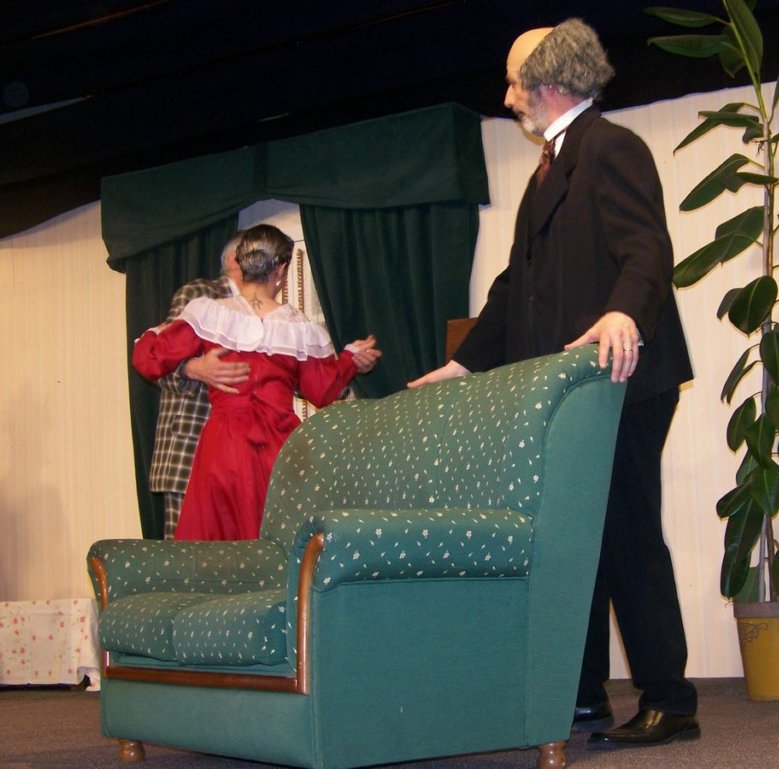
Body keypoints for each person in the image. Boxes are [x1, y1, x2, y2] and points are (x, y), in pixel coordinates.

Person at [408, 19, 699, 748]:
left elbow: (647, 247)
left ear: (548, 84)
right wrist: (462, 363)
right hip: (568, 391)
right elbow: (514, 287)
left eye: (513, 84)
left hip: (619, 378)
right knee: (574, 544)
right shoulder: (548, 171)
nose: (507, 99)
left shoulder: (611, 147)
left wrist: (623, 313)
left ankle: (670, 700)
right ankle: (583, 697)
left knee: (628, 535)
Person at [134, 224, 381, 541]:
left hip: (223, 445)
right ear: (280, 270)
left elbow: (149, 358)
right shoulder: (297, 327)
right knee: (278, 541)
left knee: (217, 546)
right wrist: (349, 360)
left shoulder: (212, 314)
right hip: (278, 445)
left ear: (242, 262)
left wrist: (169, 349)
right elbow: (321, 390)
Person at [149, 232, 250, 539]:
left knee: (235, 557)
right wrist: (194, 369)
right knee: (188, 557)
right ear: (233, 260)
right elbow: (157, 360)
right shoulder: (200, 294)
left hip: (238, 456)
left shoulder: (259, 310)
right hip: (190, 447)